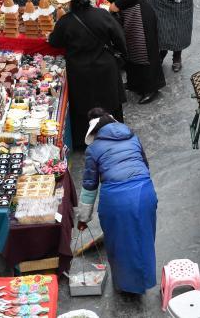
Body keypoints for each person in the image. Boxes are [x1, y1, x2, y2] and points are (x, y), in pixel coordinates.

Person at [44, 0, 165, 104]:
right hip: (123, 11)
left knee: (143, 50)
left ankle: (150, 87)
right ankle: (135, 83)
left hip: (137, 11)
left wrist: (116, 5)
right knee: (129, 48)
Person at [78, 108, 158, 296]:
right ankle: (143, 281)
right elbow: (145, 166)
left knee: (119, 243)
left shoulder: (94, 149)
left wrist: (83, 218)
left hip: (117, 200)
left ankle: (127, 286)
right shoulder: (133, 138)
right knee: (143, 239)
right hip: (145, 193)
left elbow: (90, 186)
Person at [48, 0, 127, 149]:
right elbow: (120, 39)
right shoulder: (103, 15)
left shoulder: (65, 22)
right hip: (106, 67)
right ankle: (115, 135)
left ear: (69, 1)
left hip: (80, 72)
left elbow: (54, 42)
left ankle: (86, 142)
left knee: (85, 106)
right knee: (110, 103)